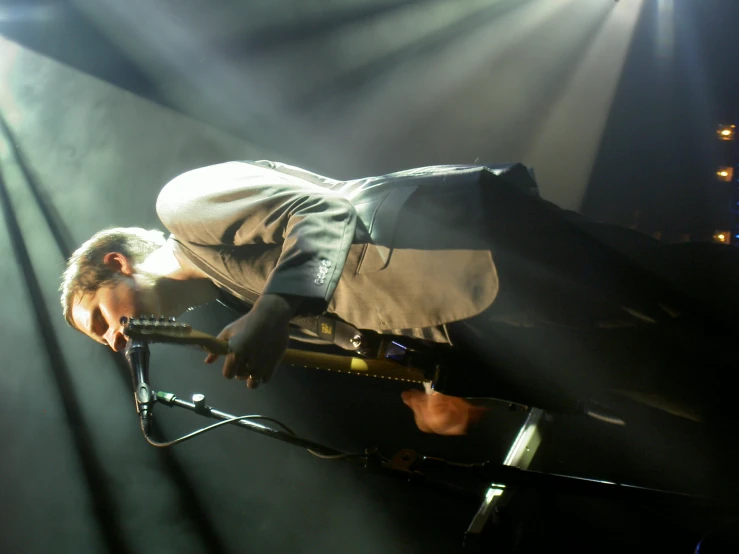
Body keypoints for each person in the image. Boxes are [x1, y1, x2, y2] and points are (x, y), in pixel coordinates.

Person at [60, 160, 738, 435]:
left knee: (675, 287)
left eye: (102, 320)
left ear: (116, 263)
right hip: (473, 315)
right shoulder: (239, 299)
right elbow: (366, 325)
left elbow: (321, 215)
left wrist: (272, 312)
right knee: (661, 380)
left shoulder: (181, 207)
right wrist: (431, 385)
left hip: (463, 243)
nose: (118, 340)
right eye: (107, 342)